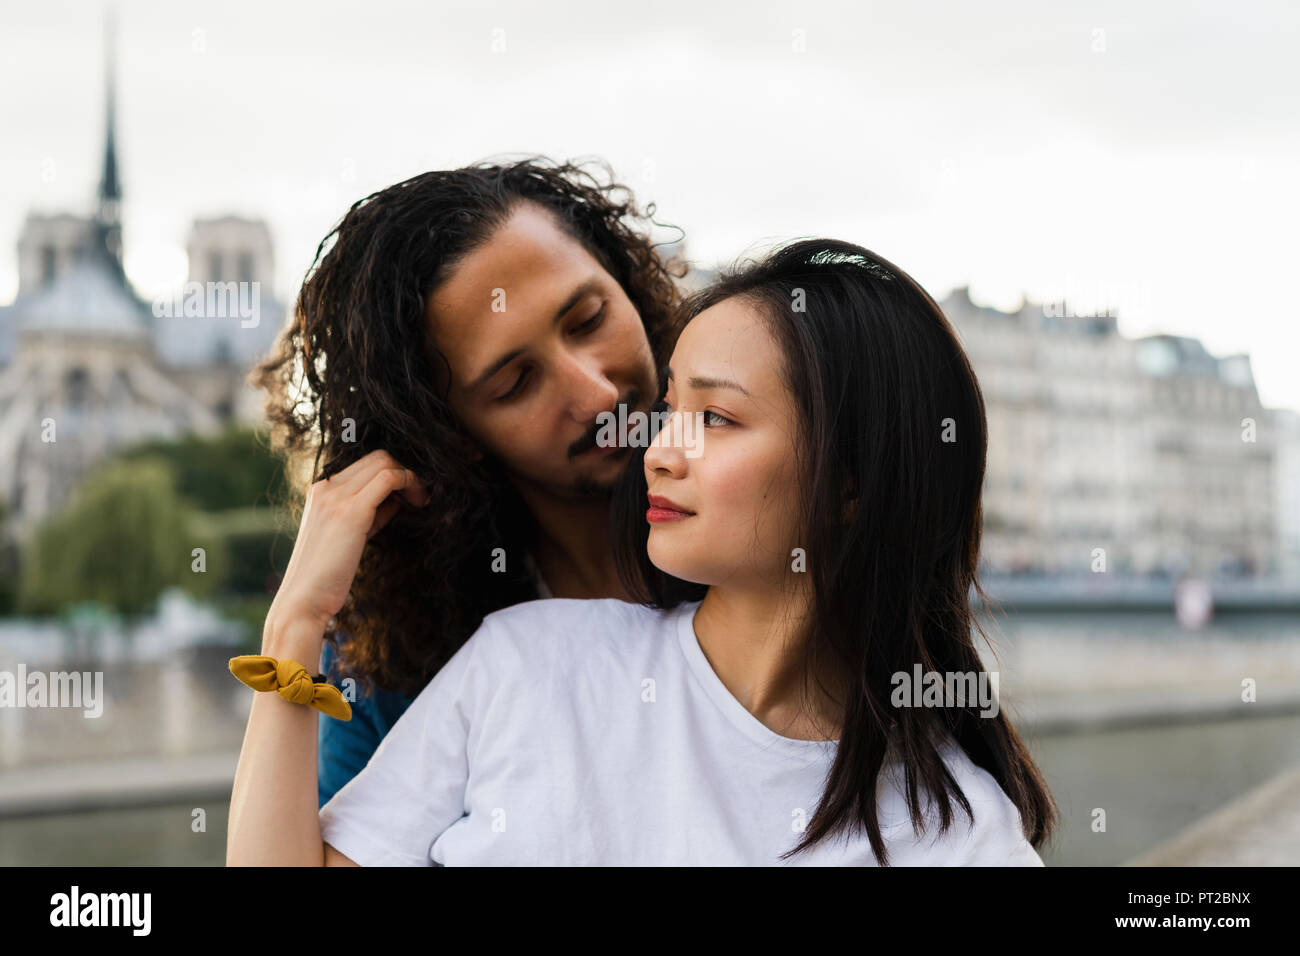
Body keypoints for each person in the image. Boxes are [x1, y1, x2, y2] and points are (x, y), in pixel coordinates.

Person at [229, 237, 1058, 865]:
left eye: (718, 418)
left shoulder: (962, 835)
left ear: (851, 484)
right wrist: (296, 623)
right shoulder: (526, 661)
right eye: (669, 407)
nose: (656, 448)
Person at [245, 157, 683, 807]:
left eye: (588, 320)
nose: (595, 395)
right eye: (515, 383)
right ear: (450, 437)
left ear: (630, 284)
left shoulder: (794, 523)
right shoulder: (392, 665)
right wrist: (294, 622)